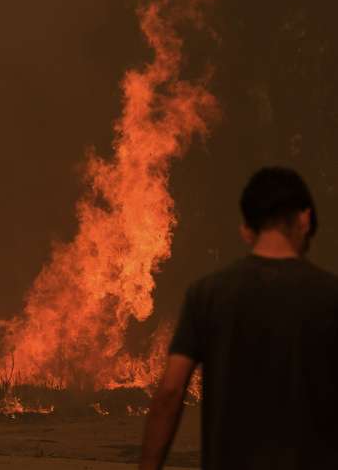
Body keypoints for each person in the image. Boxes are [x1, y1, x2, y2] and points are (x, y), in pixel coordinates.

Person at [140, 167, 338, 469]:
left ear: (245, 229)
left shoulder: (206, 294)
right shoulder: (330, 295)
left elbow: (170, 391)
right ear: (305, 219)